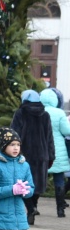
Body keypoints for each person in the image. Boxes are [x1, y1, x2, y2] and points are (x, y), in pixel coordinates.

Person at [11, 90, 54, 225]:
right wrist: (51, 156)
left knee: (22, 183)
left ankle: (30, 208)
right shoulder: (45, 115)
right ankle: (33, 207)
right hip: (42, 155)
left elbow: (14, 134)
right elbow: (49, 137)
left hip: (24, 154)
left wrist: (12, 151)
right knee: (36, 184)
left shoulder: (20, 113)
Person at [39, 88, 70, 217]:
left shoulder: (38, 112)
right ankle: (60, 210)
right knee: (59, 180)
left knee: (38, 179)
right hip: (58, 151)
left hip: (41, 149)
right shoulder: (59, 113)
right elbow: (67, 131)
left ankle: (33, 208)